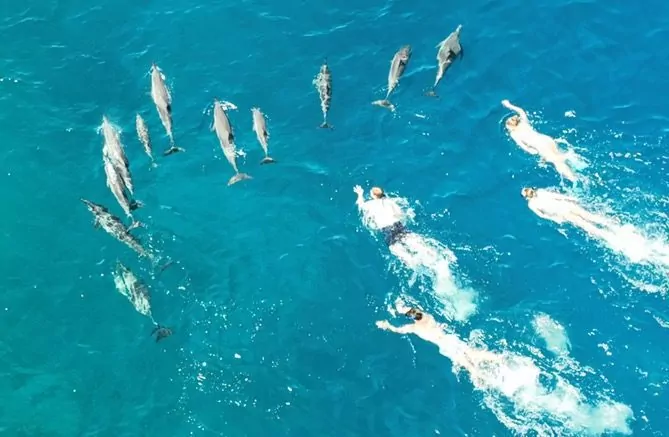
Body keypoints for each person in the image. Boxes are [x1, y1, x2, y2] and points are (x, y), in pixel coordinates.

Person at [375, 299, 504, 373]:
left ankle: (480, 376)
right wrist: (402, 308)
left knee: (467, 363)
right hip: (450, 339)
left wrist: (386, 325)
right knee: (471, 353)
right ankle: (497, 358)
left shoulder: (414, 328)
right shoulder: (429, 319)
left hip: (445, 346)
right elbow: (417, 313)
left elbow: (398, 330)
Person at [502, 99, 578, 183]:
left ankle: (573, 178)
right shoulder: (523, 122)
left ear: (512, 127)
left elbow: (524, 147)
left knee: (557, 162)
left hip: (540, 147)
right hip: (547, 140)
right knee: (557, 153)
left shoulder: (514, 134)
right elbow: (521, 111)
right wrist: (509, 105)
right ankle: (576, 163)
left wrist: (532, 151)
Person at [521, 187, 619, 239]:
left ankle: (606, 233)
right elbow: (556, 197)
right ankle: (610, 226)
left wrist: (555, 219)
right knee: (587, 219)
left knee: (586, 222)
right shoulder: (537, 197)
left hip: (563, 210)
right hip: (565, 208)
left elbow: (542, 214)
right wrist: (570, 199)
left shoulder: (534, 202)